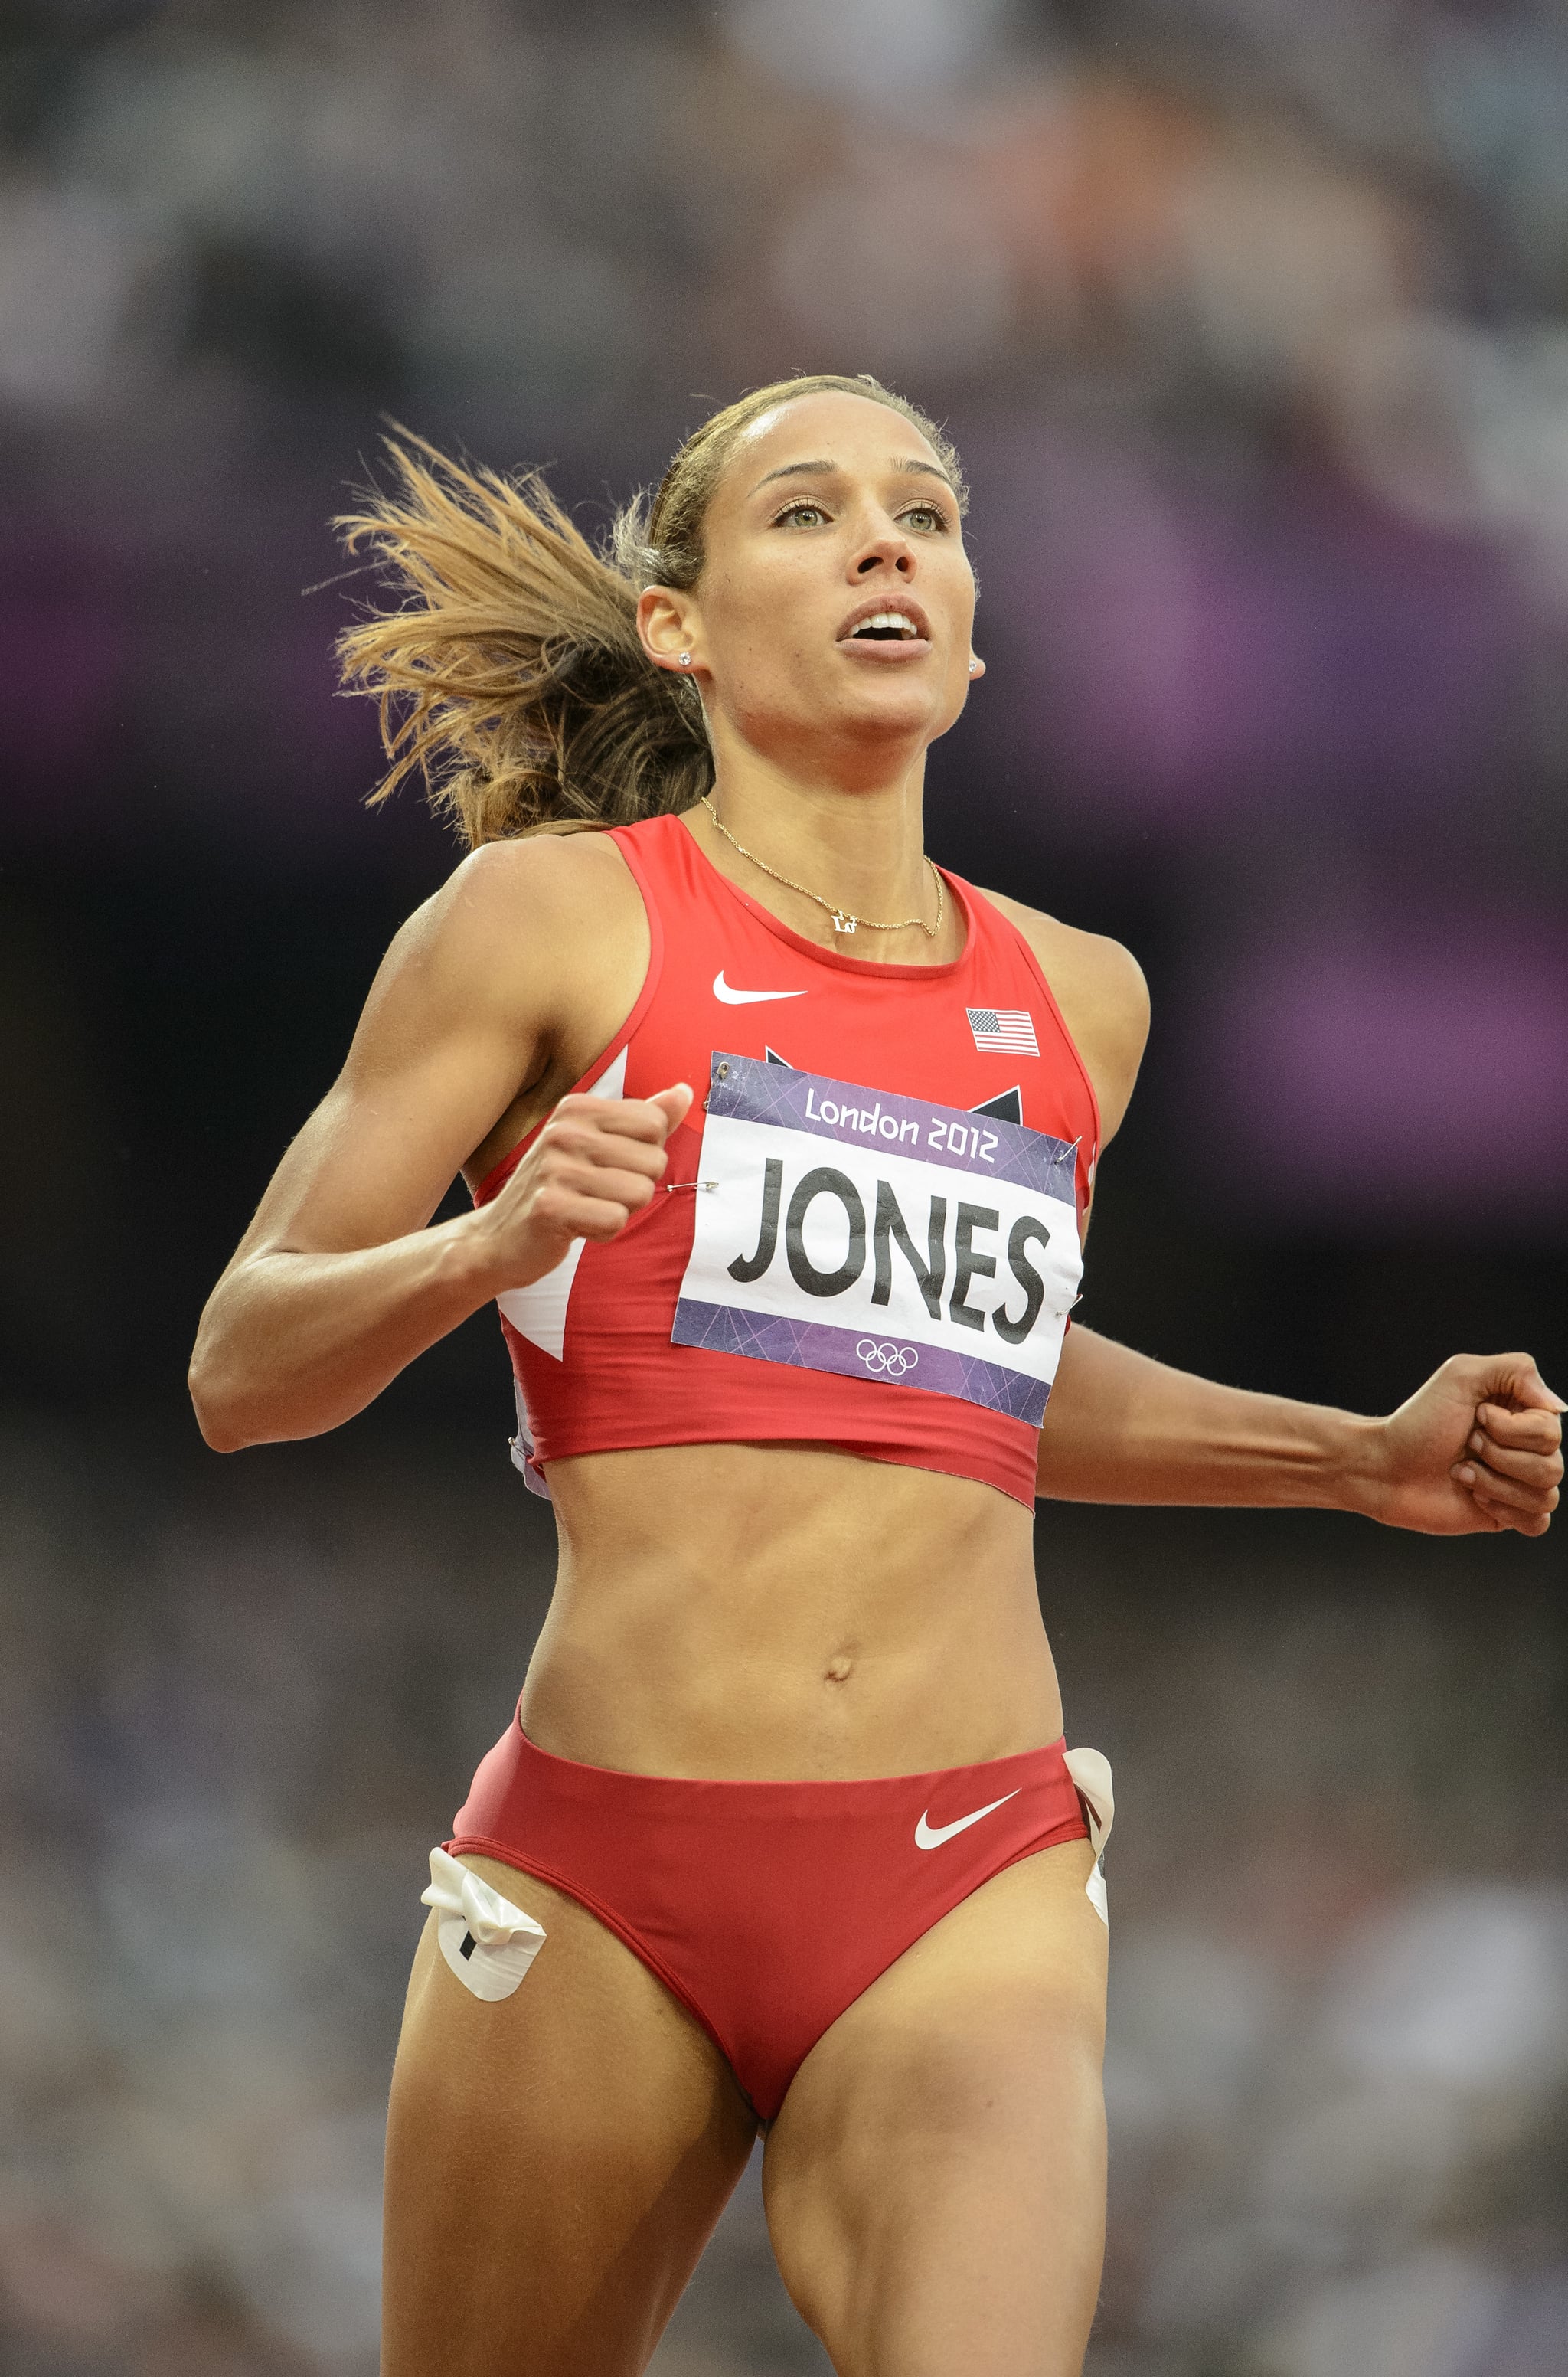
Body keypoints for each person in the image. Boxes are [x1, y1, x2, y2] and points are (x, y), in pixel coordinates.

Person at [188, 373, 1562, 2377]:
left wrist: (1352, 1457)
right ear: (682, 618)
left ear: (975, 630)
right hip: (600, 1869)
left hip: (959, 1873)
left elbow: (975, 1379)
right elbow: (245, 1366)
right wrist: (488, 1248)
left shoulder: (1080, 1000)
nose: (886, 540)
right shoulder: (546, 923)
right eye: (809, 512)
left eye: (925, 508)